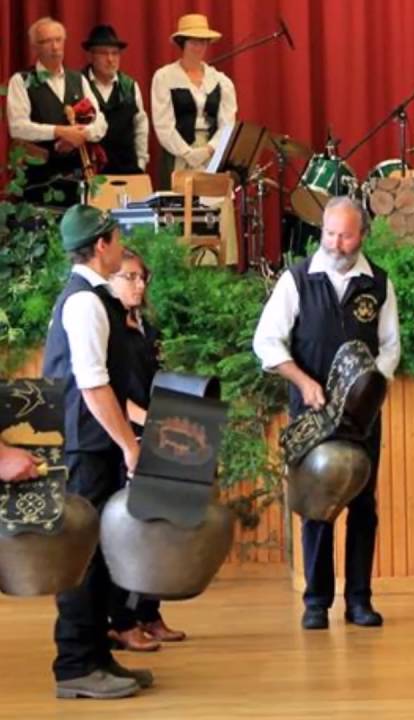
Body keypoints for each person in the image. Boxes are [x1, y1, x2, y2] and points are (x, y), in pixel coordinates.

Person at [253, 197, 401, 630]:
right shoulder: (297, 280)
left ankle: (359, 600)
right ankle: (316, 602)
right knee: (317, 504)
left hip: (362, 417)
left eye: (346, 234)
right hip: (311, 412)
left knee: (363, 505)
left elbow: (391, 346)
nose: (336, 243)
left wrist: (372, 385)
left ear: (362, 236)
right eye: (330, 233)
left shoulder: (378, 283)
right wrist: (302, 381)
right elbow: (267, 342)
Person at [42, 205, 151, 699]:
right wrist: (129, 445)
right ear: (102, 245)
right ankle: (75, 665)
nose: (121, 244)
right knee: (82, 553)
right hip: (87, 447)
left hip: (95, 442)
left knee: (101, 551)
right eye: (116, 237)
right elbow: (92, 386)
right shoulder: (85, 303)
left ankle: (98, 654)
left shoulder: (97, 298)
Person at [103, 250, 186, 651]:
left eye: (142, 277)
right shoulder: (109, 328)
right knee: (129, 531)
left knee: (159, 525)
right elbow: (110, 392)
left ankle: (149, 613)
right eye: (129, 277)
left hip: (157, 431)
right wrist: (143, 421)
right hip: (127, 436)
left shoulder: (146, 327)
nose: (139, 284)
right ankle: (121, 620)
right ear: (111, 280)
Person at [6, 17, 106, 205]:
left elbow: (100, 121)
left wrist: (81, 135)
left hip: (76, 182)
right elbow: (17, 127)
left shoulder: (78, 80)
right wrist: (59, 132)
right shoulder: (21, 81)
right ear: (34, 47)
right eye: (46, 41)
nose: (54, 47)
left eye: (58, 40)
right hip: (37, 183)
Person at [150, 14, 237, 189]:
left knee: (212, 206)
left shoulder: (221, 81)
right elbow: (163, 124)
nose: (199, 47)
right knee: (179, 209)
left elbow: (227, 124)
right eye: (193, 42)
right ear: (183, 43)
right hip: (177, 155)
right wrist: (187, 153)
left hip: (212, 155)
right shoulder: (165, 77)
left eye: (203, 42)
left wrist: (210, 149)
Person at [82, 25, 149, 175]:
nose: (110, 59)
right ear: (91, 56)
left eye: (115, 53)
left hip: (128, 169)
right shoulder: (79, 84)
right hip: (91, 171)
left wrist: (141, 162)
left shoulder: (130, 86)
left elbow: (141, 126)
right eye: (104, 53)